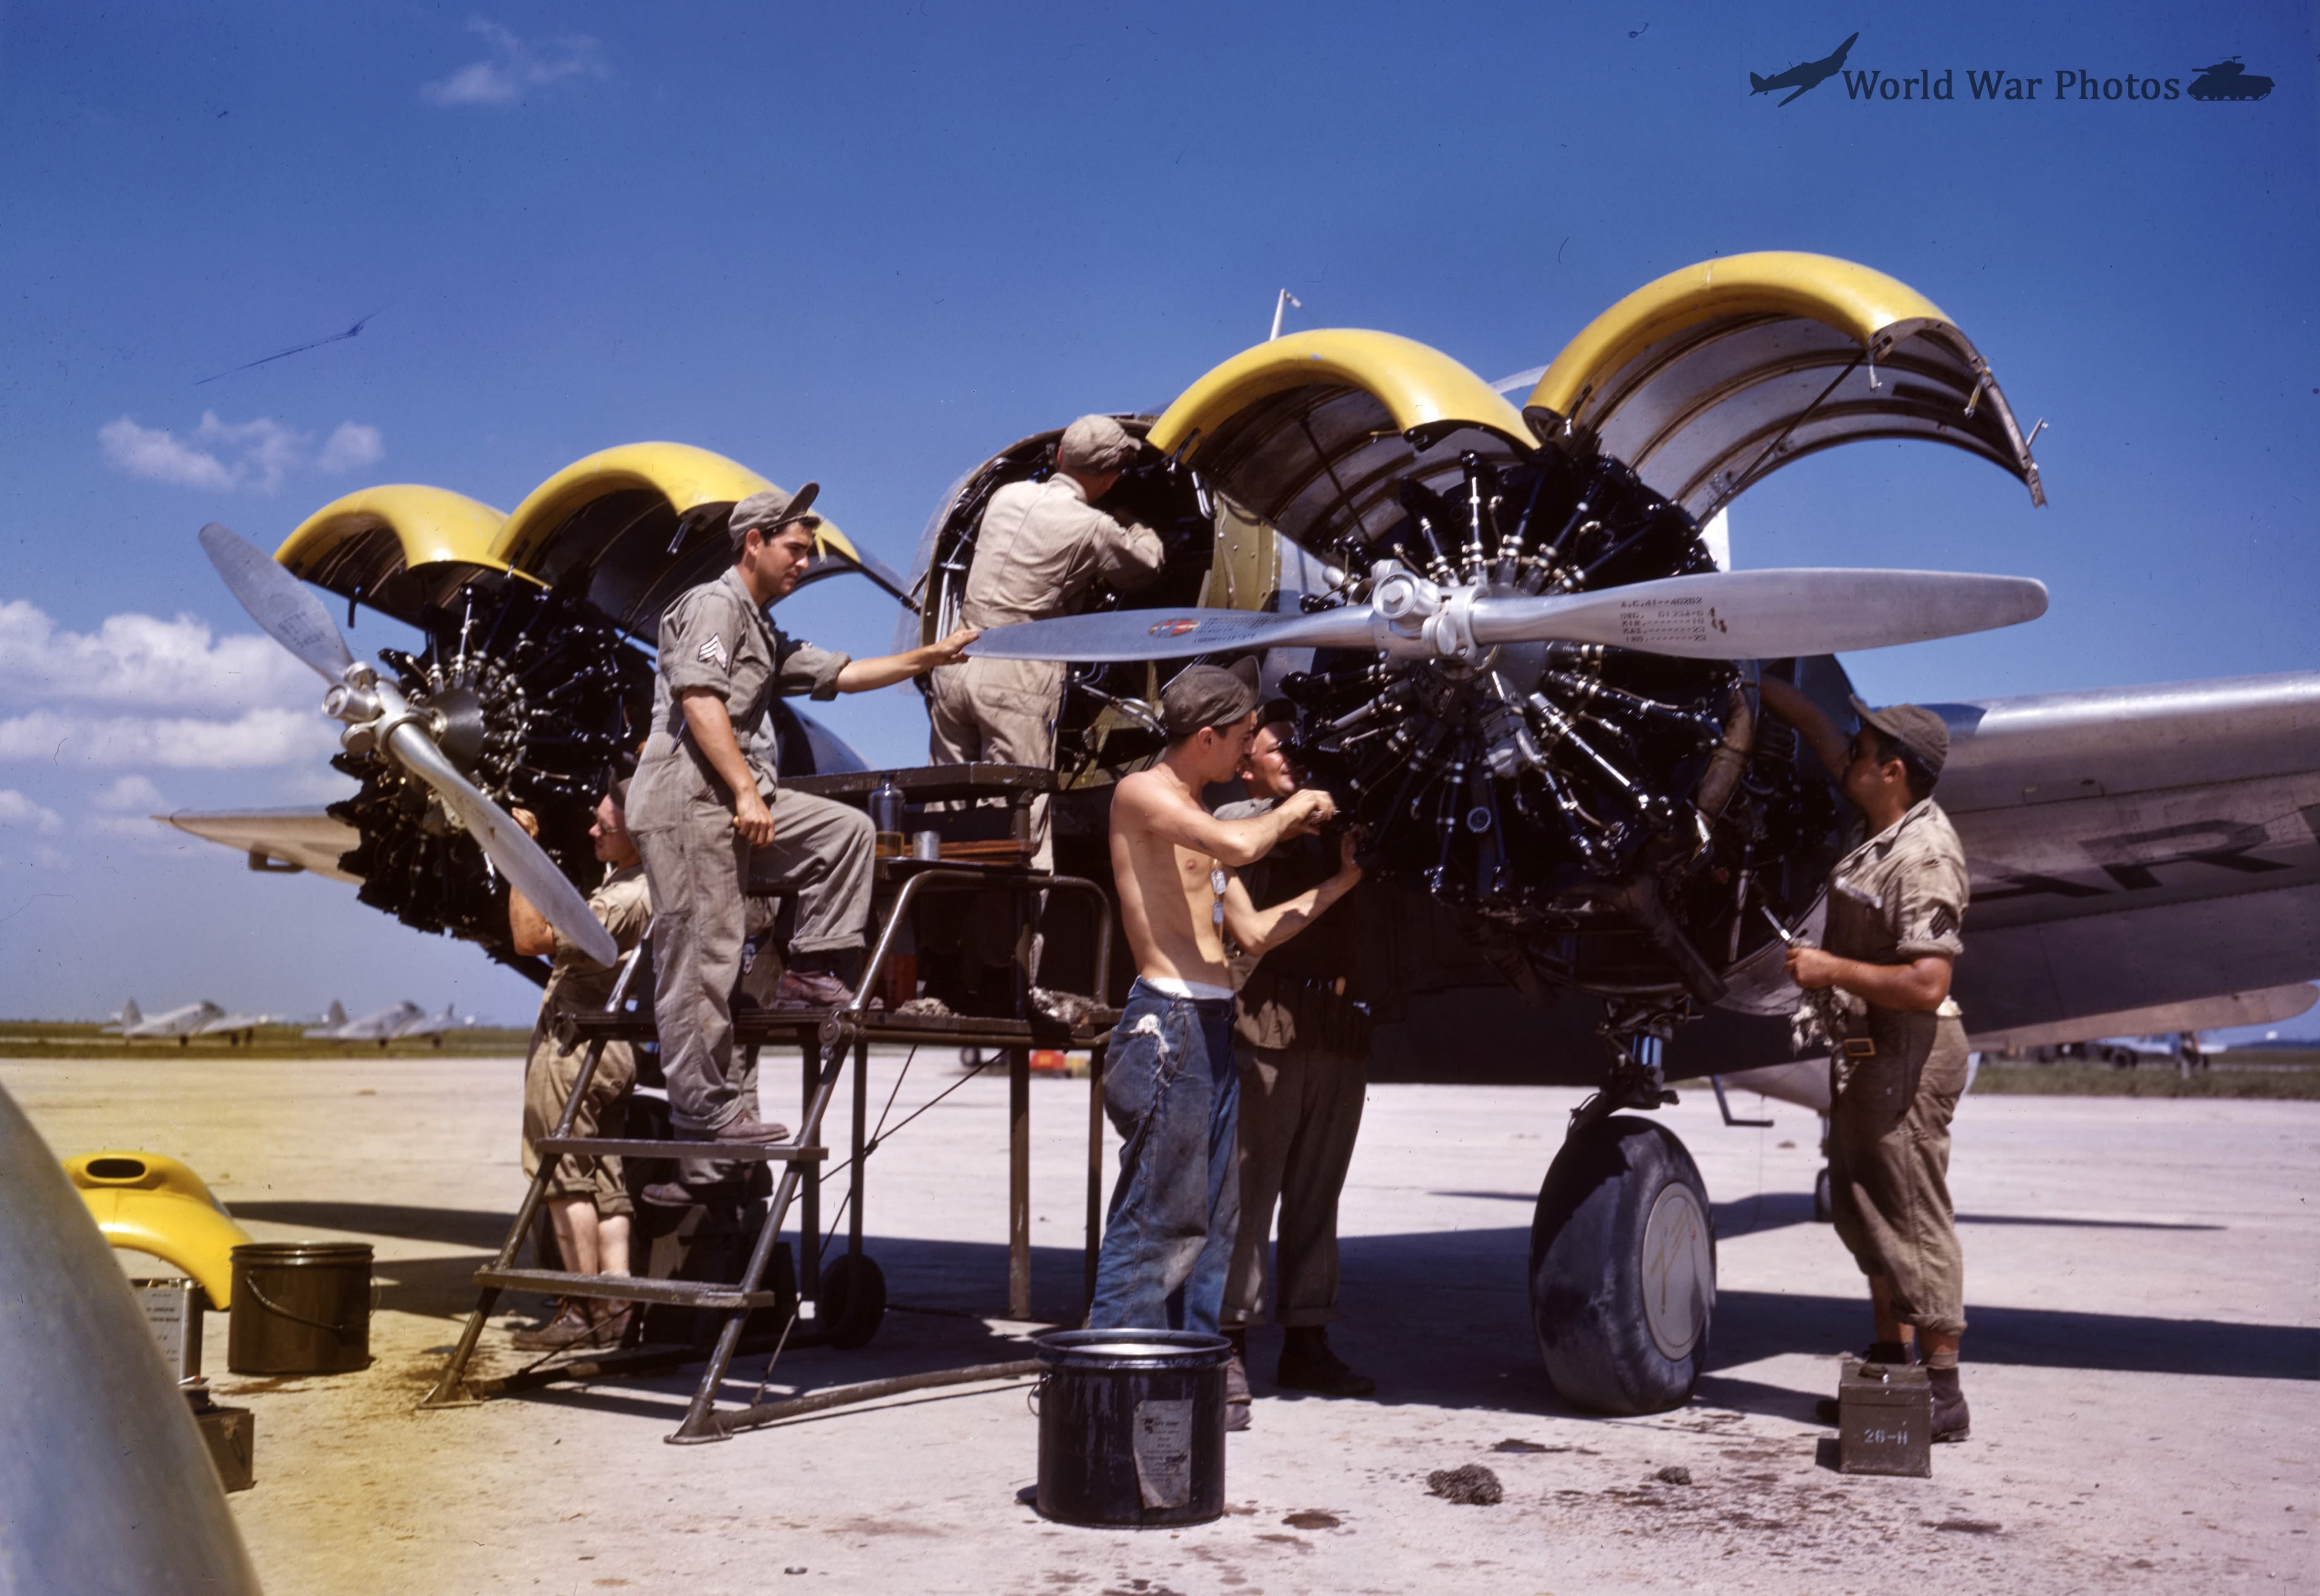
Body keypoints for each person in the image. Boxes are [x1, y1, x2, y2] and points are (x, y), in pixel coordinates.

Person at [627, 484, 976, 1167]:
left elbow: (843, 675)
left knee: (844, 834)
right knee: (705, 956)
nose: (805, 563)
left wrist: (928, 660)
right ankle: (701, 1113)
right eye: (795, 549)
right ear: (752, 543)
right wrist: (744, 793)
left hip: (736, 802)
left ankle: (813, 968)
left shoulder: (759, 625)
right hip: (692, 804)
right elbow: (699, 700)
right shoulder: (713, 606)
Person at [1093, 659, 1352, 1432]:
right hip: (1168, 1022)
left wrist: (1345, 882)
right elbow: (1240, 848)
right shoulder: (1146, 795)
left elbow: (1251, 933)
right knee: (1157, 1219)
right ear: (1204, 736)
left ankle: (1190, 1385)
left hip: (1210, 1022)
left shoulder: (1198, 815)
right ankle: (1112, 1390)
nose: (1248, 753)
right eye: (1241, 738)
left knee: (1212, 1225)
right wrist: (1297, 805)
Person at [1759, 676, 1974, 1442]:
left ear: (1896, 771)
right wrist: (1755, 688)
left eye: (1866, 749)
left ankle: (1943, 1394)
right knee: (1866, 1212)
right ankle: (1892, 1367)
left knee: (1912, 1217)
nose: (1849, 753)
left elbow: (1928, 981)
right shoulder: (1879, 817)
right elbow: (1823, 734)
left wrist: (1828, 970)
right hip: (1868, 1048)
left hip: (1910, 1050)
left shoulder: (1924, 855)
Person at [1216, 707, 1376, 1410]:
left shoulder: (1340, 814)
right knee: (1250, 1194)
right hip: (1268, 1018)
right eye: (1280, 750)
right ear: (1246, 764)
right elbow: (1252, 932)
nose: (1296, 759)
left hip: (1337, 1020)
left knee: (1318, 1192)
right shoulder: (1234, 826)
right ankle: (1229, 1342)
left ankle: (1308, 1340)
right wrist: (1340, 876)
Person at [928, 415, 1165, 867]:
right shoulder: (1092, 527)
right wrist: (1134, 522)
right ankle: (1015, 937)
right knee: (1020, 818)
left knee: (947, 815)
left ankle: (941, 920)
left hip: (955, 661)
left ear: (1059, 457)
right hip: (1016, 673)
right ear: (1112, 476)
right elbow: (1146, 567)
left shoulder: (1004, 496)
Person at [504, 784, 652, 1351]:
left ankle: (580, 1307)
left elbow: (530, 937)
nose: (592, 832)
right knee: (607, 1181)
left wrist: (516, 852)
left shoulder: (623, 898)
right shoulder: (638, 886)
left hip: (573, 1046)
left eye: (604, 827)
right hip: (610, 1049)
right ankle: (617, 1305)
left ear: (636, 837)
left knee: (563, 1176)